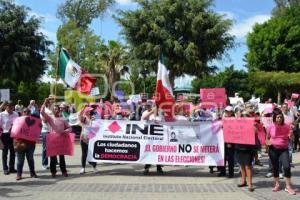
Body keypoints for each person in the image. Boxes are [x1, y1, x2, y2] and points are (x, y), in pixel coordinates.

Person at [266, 108, 296, 195]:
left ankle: (288, 186)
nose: (279, 119)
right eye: (278, 117)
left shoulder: (287, 126)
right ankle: (277, 184)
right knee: (275, 167)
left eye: (281, 117)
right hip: (273, 149)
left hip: (284, 149)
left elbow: (292, 138)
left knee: (286, 166)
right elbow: (267, 137)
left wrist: (291, 135)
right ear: (274, 118)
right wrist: (267, 143)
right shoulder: (270, 127)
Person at [40, 98, 71, 178]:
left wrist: (65, 131)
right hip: (52, 139)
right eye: (54, 109)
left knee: (61, 157)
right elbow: (42, 112)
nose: (56, 110)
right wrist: (44, 102)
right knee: (53, 157)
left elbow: (70, 128)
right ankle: (53, 172)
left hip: (61, 140)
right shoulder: (50, 118)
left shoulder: (63, 119)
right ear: (52, 110)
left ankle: (64, 171)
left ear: (59, 110)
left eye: (57, 109)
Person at [236, 103, 256, 192]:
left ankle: (250, 183)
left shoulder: (252, 122)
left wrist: (252, 126)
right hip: (239, 146)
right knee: (241, 165)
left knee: (248, 166)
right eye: (242, 116)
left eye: (246, 116)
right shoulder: (237, 123)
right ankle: (243, 180)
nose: (244, 117)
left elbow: (256, 132)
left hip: (248, 147)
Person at [15, 108, 38, 180]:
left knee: (30, 159)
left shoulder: (34, 121)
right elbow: (14, 131)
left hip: (31, 143)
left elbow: (37, 131)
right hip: (20, 142)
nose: (27, 113)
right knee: (20, 160)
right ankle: (19, 174)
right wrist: (15, 142)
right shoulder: (17, 120)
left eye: (28, 112)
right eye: (25, 111)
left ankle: (32, 173)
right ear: (22, 113)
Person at [141, 102, 164, 174]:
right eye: (146, 106)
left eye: (149, 106)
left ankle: (159, 167)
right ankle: (146, 168)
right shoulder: (145, 112)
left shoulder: (159, 114)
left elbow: (162, 121)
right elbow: (144, 118)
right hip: (149, 137)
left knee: (158, 152)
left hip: (158, 136)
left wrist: (157, 112)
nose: (147, 107)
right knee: (149, 152)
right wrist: (152, 111)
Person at [0, 102, 19, 175]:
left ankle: (12, 168)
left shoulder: (16, 114)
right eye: (9, 107)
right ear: (5, 107)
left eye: (12, 107)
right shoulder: (1, 114)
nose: (10, 108)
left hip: (13, 135)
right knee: (5, 153)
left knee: (13, 152)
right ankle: (5, 168)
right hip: (5, 135)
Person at [78, 106, 98, 174]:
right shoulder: (84, 118)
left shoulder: (93, 118)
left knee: (92, 153)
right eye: (88, 110)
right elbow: (79, 117)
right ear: (86, 111)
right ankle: (83, 168)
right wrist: (82, 109)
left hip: (92, 138)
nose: (90, 111)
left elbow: (97, 127)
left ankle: (94, 167)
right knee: (84, 153)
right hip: (84, 137)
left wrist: (94, 121)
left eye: (90, 110)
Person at [218, 106, 235, 178]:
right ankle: (223, 171)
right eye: (226, 111)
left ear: (232, 112)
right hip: (223, 140)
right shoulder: (223, 118)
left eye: (229, 111)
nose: (227, 113)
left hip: (231, 141)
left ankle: (231, 173)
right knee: (223, 156)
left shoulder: (234, 119)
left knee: (230, 157)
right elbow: (220, 126)